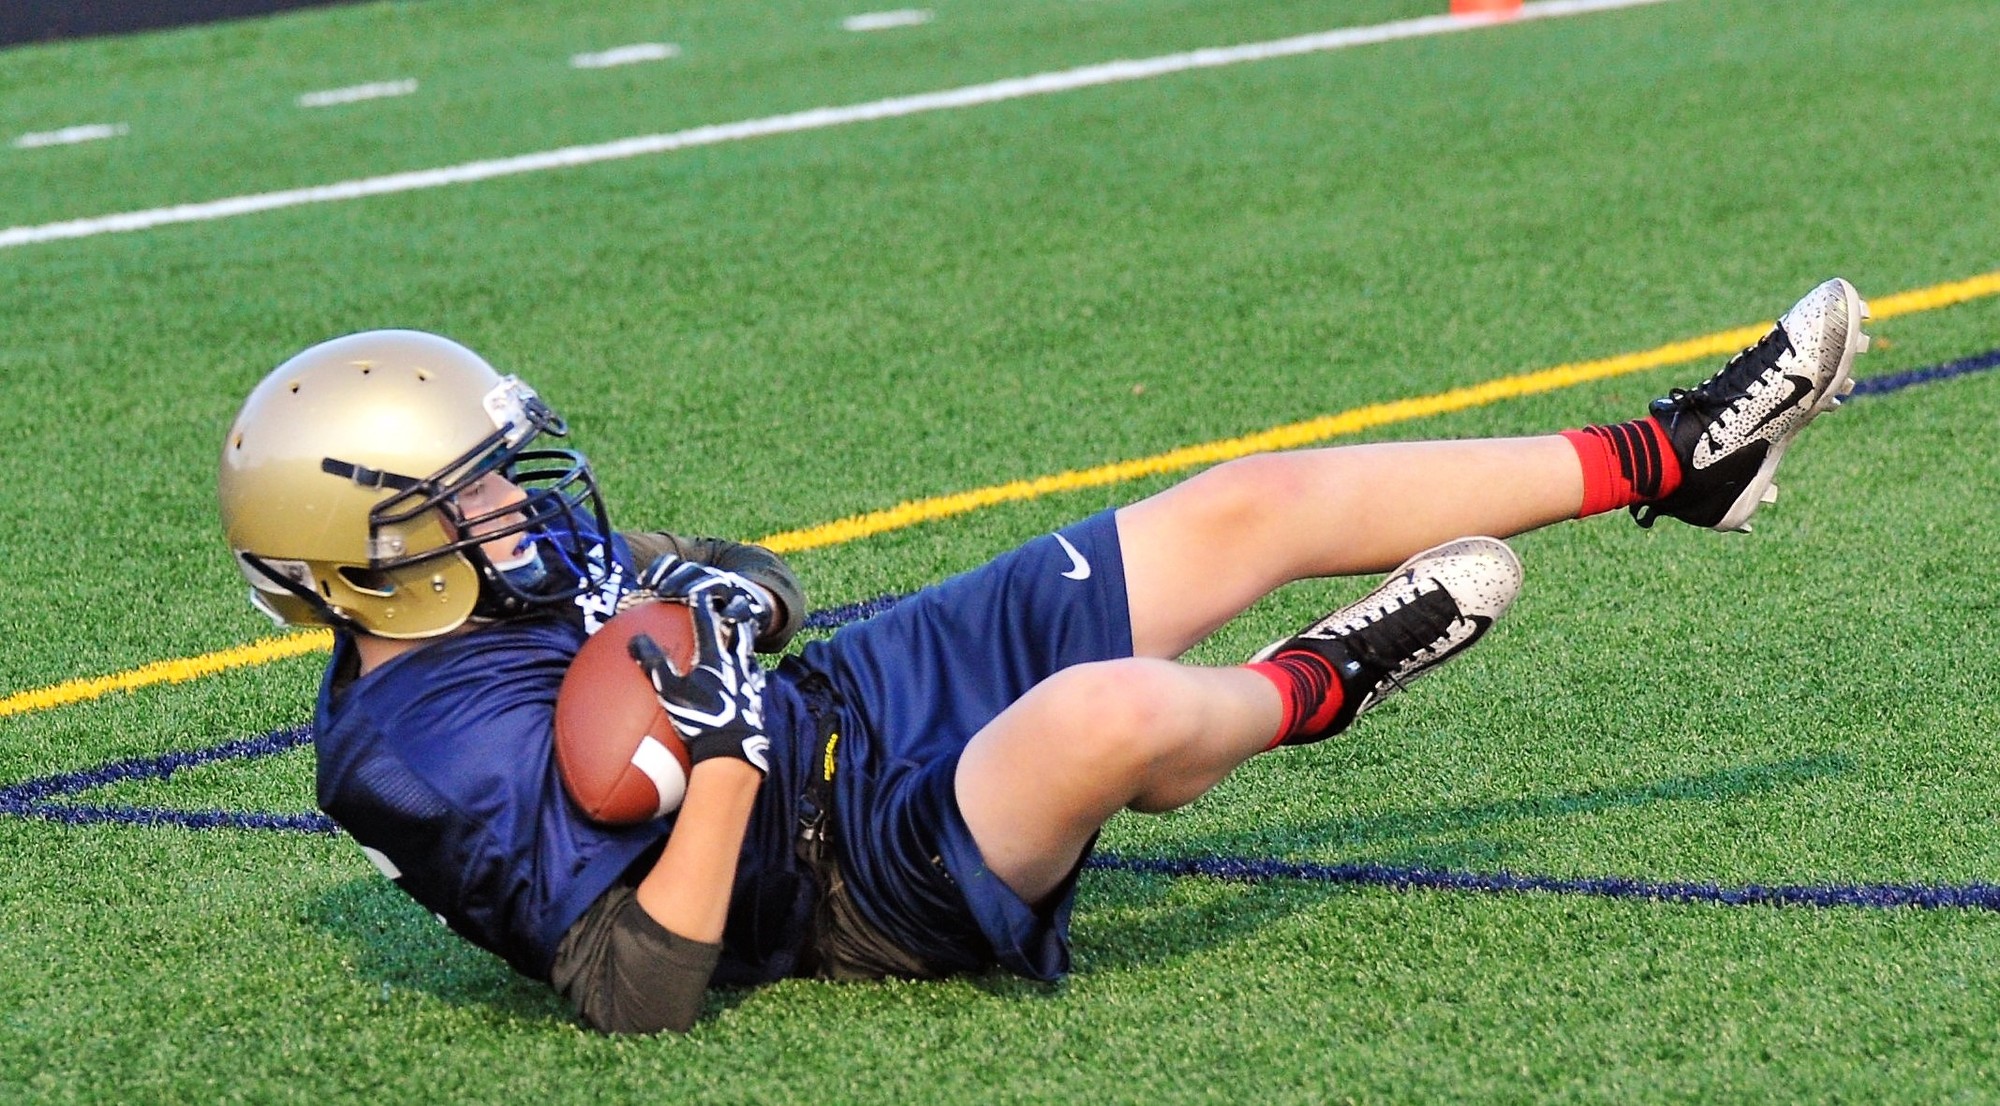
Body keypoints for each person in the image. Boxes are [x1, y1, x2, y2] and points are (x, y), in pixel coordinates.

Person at [216, 278, 1869, 1034]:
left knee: (1244, 503)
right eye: (469, 493)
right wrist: (719, 761)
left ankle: (1675, 456)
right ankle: (1317, 683)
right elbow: (637, 989)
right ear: (365, 563)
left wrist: (732, 615)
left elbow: (750, 585)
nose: (519, 500)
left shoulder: (502, 569)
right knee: (1105, 714)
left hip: (850, 699)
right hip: (845, 883)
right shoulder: (411, 750)